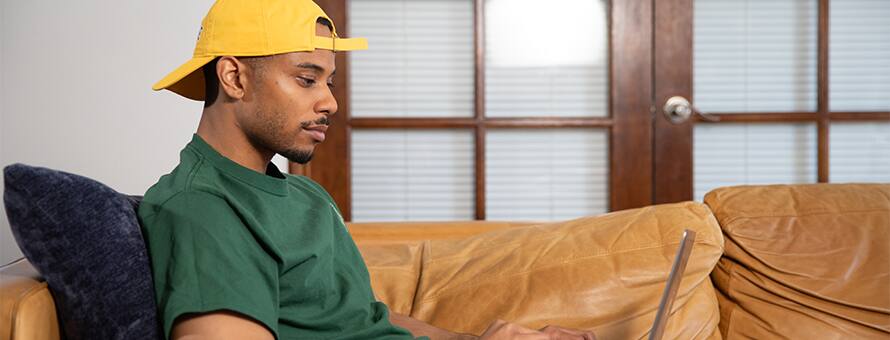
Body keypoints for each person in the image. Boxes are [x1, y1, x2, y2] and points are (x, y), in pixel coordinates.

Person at [140, 1, 597, 339]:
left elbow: (363, 317)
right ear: (234, 78)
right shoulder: (203, 209)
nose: (330, 102)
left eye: (329, 81)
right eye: (306, 78)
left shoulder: (307, 198)